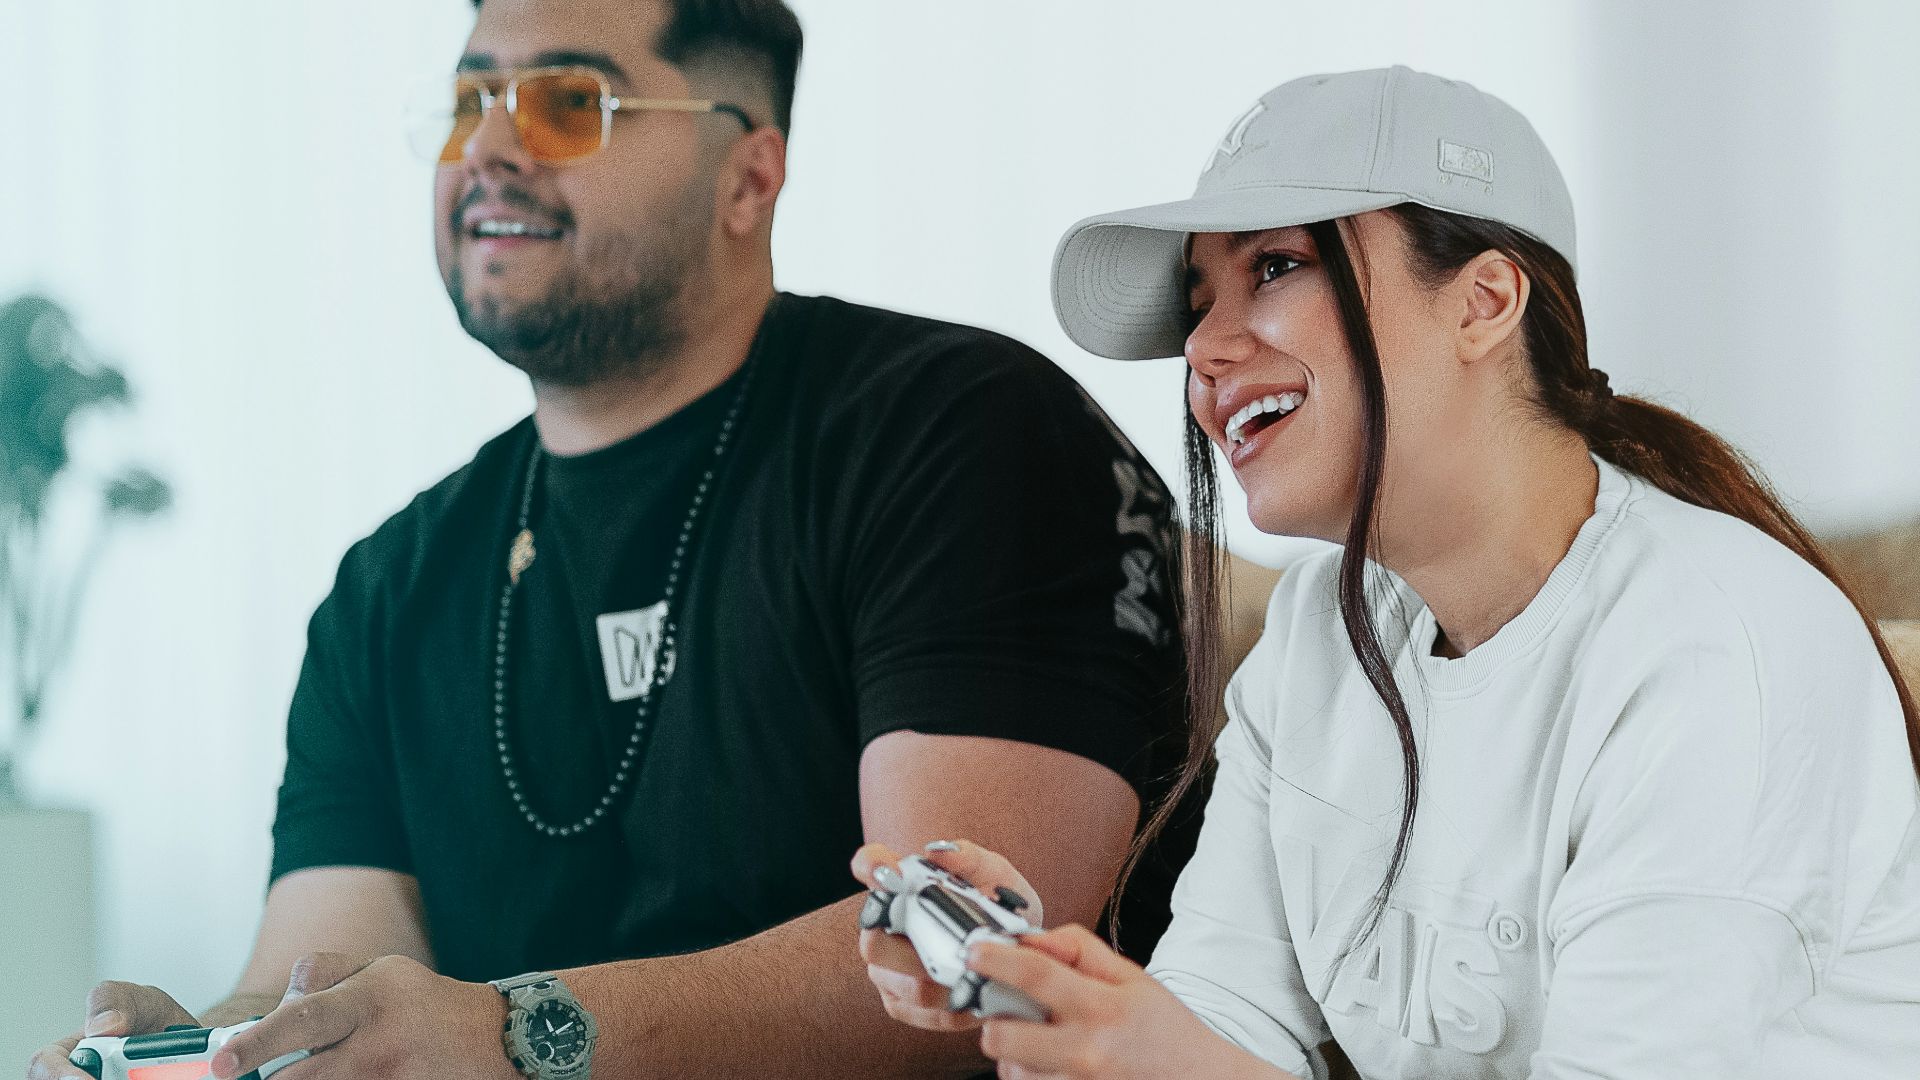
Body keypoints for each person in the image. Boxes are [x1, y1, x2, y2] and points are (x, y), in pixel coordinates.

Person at [27, 2, 1199, 1079]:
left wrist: (517, 1034)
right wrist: (216, 1049)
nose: (488, 148)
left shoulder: (959, 432)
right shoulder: (390, 586)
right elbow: (328, 973)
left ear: (750, 176)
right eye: (466, 103)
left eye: (566, 104)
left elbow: (970, 957)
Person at [857, 66, 1920, 1078]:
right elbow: (1222, 1019)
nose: (1205, 350)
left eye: (1274, 267)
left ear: (1485, 302)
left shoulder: (1713, 649)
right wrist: (1044, 989)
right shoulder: (1324, 629)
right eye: (1198, 301)